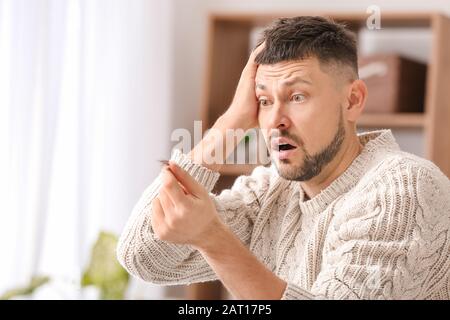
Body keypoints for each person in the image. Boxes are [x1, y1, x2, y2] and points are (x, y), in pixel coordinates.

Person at [117, 16, 450, 299]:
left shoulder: (403, 186)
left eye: (297, 96)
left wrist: (214, 239)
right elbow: (143, 255)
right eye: (263, 101)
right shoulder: (272, 188)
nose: (276, 120)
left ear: (352, 100)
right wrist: (231, 121)